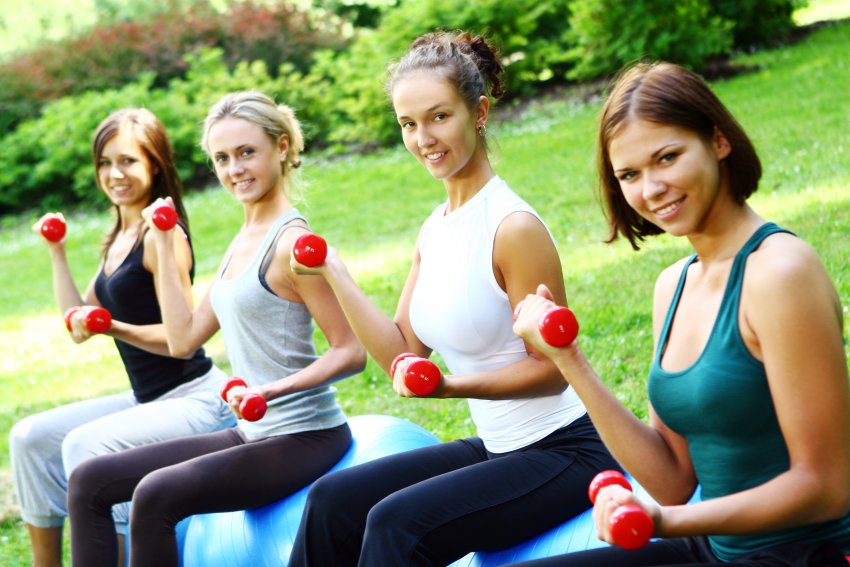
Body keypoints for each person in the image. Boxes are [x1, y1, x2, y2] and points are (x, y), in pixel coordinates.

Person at [286, 31, 618, 567]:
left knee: (395, 525)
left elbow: (555, 370)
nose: (423, 138)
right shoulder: (435, 229)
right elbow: (403, 354)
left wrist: (451, 388)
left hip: (567, 449)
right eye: (408, 124)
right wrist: (335, 273)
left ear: (479, 111)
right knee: (333, 501)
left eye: (439, 117)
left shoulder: (512, 228)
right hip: (499, 446)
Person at [509, 62, 850, 566]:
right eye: (629, 174)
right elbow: (672, 481)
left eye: (667, 158)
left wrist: (662, 523)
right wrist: (568, 359)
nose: (651, 189)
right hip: (714, 546)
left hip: (807, 554)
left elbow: (826, 488)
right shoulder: (673, 285)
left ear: (718, 141)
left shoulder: (779, 273)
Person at [66, 91, 366, 566]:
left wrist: (271, 391)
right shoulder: (241, 241)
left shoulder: (293, 243)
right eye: (222, 158)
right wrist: (161, 245)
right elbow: (183, 339)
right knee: (90, 480)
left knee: (155, 495)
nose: (235, 169)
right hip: (253, 430)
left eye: (247, 152)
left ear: (282, 147)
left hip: (305, 435)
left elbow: (350, 352)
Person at [11, 108, 235, 567]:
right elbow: (78, 325)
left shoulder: (162, 235)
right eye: (106, 162)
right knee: (29, 436)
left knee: (82, 445)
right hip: (149, 398)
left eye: (128, 161)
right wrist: (57, 253)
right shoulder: (119, 235)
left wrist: (113, 326)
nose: (115, 174)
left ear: (154, 165)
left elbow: (184, 338)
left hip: (196, 399)